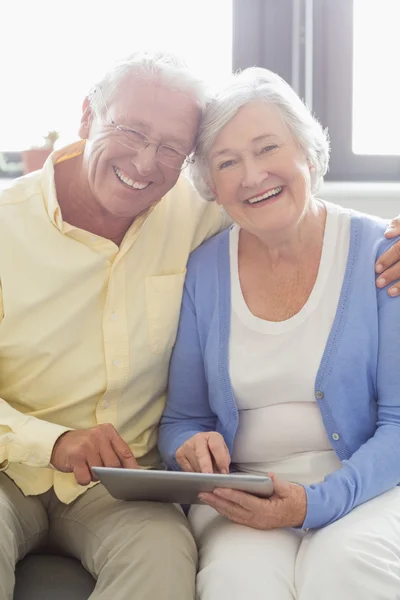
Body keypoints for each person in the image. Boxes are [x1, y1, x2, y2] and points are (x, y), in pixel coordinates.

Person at [159, 66, 400, 600]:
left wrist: (317, 503)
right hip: (247, 494)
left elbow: (399, 423)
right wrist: (190, 446)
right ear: (211, 186)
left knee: (346, 568)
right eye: (227, 162)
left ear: (308, 154)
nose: (252, 175)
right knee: (238, 585)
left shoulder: (382, 255)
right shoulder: (204, 271)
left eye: (268, 148)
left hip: (370, 485)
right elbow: (182, 419)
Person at [0, 51, 229, 600]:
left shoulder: (199, 211)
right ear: (86, 117)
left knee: (164, 556)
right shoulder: (6, 223)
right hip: (8, 469)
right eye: (131, 130)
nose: (147, 162)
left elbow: (299, 216)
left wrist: (383, 238)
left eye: (171, 147)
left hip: (124, 487)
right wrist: (52, 442)